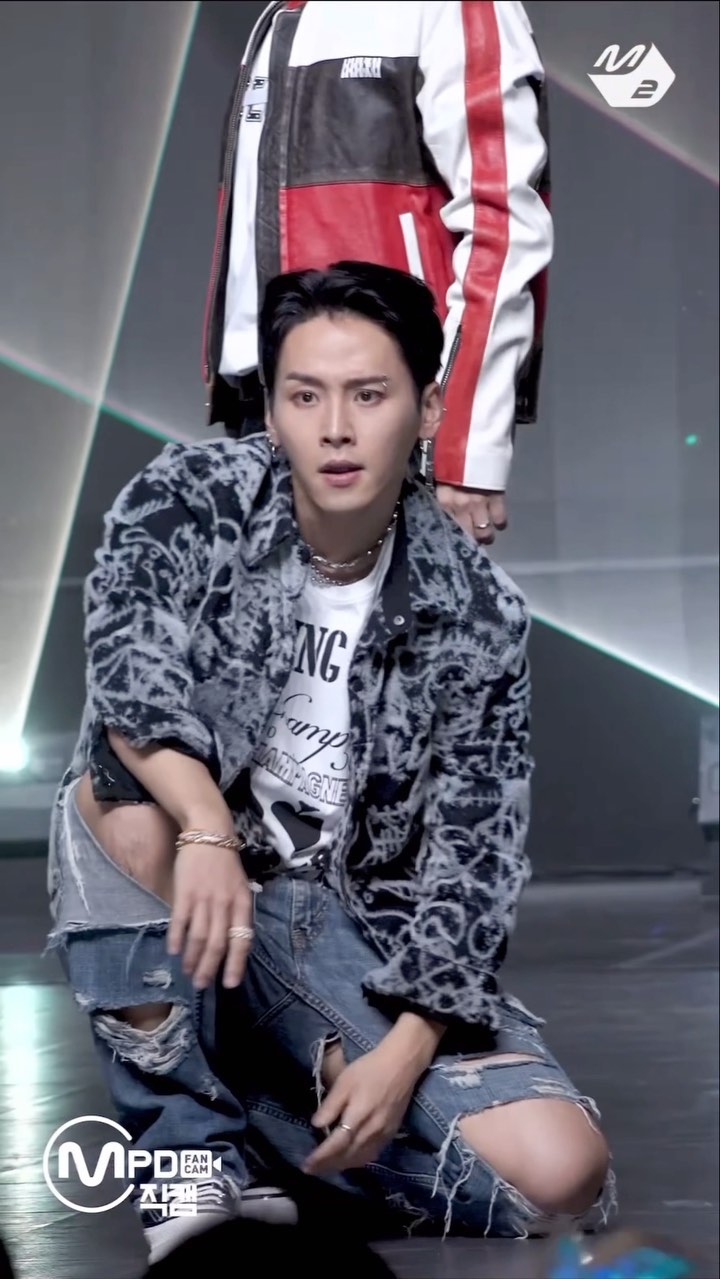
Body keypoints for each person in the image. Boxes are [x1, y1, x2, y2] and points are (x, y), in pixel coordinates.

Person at [47, 262, 612, 1268]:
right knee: (124, 798)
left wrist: (405, 1051)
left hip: (351, 924)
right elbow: (132, 686)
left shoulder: (475, 610)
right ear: (272, 406)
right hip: (186, 860)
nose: (336, 429)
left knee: (559, 1177)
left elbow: (477, 861)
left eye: (369, 395)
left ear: (426, 407)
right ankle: (186, 1153)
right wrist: (208, 827)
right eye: (305, 396)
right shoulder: (190, 498)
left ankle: (275, 1137)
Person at [203, 0, 552, 545]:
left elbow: (502, 226)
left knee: (390, 603)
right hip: (268, 418)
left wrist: (464, 440)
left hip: (387, 418)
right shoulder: (282, 14)